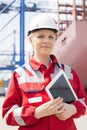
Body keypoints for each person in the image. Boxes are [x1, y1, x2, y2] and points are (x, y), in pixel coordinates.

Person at [2, 13, 87, 130]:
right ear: (31, 40)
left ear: (55, 40)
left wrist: (74, 109)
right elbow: (8, 115)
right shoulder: (19, 75)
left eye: (51, 37)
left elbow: (84, 102)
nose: (46, 41)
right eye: (41, 36)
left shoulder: (69, 72)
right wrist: (36, 112)